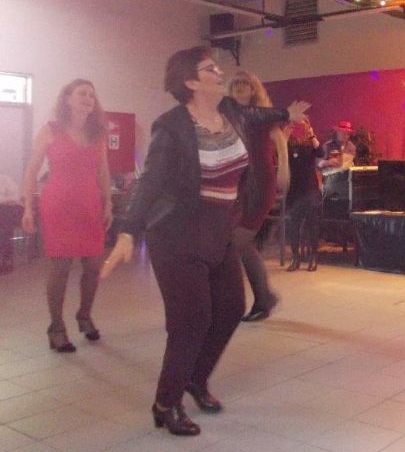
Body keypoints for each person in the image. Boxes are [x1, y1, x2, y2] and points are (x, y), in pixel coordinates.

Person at [101, 46, 309, 437]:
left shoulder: (231, 111)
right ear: (191, 82)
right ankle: (166, 403)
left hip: (220, 229)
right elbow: (151, 181)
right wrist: (128, 230)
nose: (219, 72)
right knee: (191, 321)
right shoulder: (171, 126)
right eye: (209, 68)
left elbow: (257, 114)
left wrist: (286, 114)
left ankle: (195, 379)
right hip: (177, 234)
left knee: (230, 309)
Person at [21, 79, 112, 352]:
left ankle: (84, 315)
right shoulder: (51, 130)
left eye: (92, 95)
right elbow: (31, 170)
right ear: (68, 99)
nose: (88, 98)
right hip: (58, 206)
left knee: (93, 266)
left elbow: (103, 171)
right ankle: (57, 328)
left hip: (89, 205)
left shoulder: (97, 133)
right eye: (82, 93)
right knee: (60, 268)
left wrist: (108, 202)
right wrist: (28, 207)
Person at [228, 71, 289, 322]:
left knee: (239, 241)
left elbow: (280, 141)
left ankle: (264, 298)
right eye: (236, 84)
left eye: (245, 84)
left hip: (261, 182)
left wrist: (284, 168)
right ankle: (264, 297)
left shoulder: (261, 115)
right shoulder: (231, 116)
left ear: (253, 89)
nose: (240, 88)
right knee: (237, 242)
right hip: (242, 184)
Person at [286, 119, 325, 271]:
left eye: (302, 126)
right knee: (293, 225)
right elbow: (279, 153)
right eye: (296, 125)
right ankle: (295, 258)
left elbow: (321, 152)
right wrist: (286, 133)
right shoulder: (289, 145)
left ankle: (313, 257)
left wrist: (312, 134)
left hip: (310, 190)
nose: (299, 128)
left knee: (312, 225)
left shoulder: (310, 145)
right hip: (294, 191)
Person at [0, 174, 23, 275]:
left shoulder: (4, 179)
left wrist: (4, 201)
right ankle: (6, 260)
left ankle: (6, 260)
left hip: (6, 211)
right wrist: (5, 200)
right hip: (5, 209)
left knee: (5, 216)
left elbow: (15, 196)